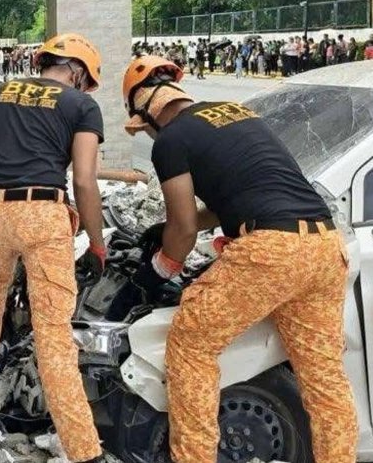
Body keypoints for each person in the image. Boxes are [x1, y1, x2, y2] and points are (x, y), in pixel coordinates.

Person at [111, 56, 358, 463]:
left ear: (146, 112)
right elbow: (237, 197)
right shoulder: (239, 114)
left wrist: (155, 272)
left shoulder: (172, 139)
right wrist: (170, 226)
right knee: (323, 378)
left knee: (191, 342)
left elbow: (185, 231)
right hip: (324, 246)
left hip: (271, 252)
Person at [0, 33, 111, 463]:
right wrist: (97, 242)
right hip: (42, 213)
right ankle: (84, 451)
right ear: (78, 72)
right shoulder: (82, 106)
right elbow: (84, 179)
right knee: (54, 334)